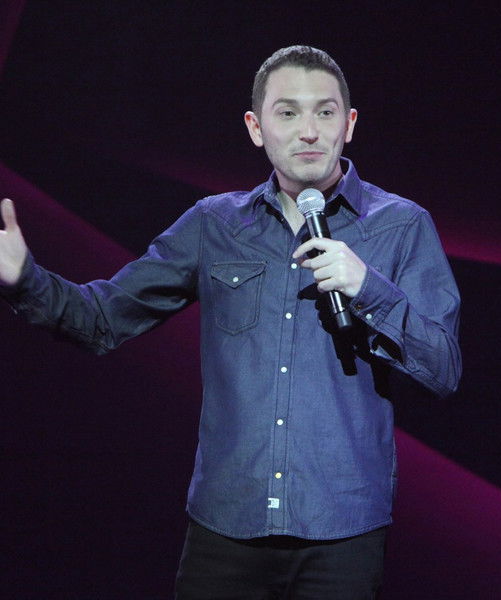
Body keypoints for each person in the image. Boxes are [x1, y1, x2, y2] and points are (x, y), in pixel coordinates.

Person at [0, 46, 461, 599]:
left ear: (350, 123)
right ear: (256, 128)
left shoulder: (401, 225)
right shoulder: (214, 224)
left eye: (325, 111)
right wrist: (23, 279)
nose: (309, 131)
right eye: (287, 112)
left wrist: (369, 288)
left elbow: (443, 367)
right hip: (227, 527)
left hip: (343, 529)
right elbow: (101, 318)